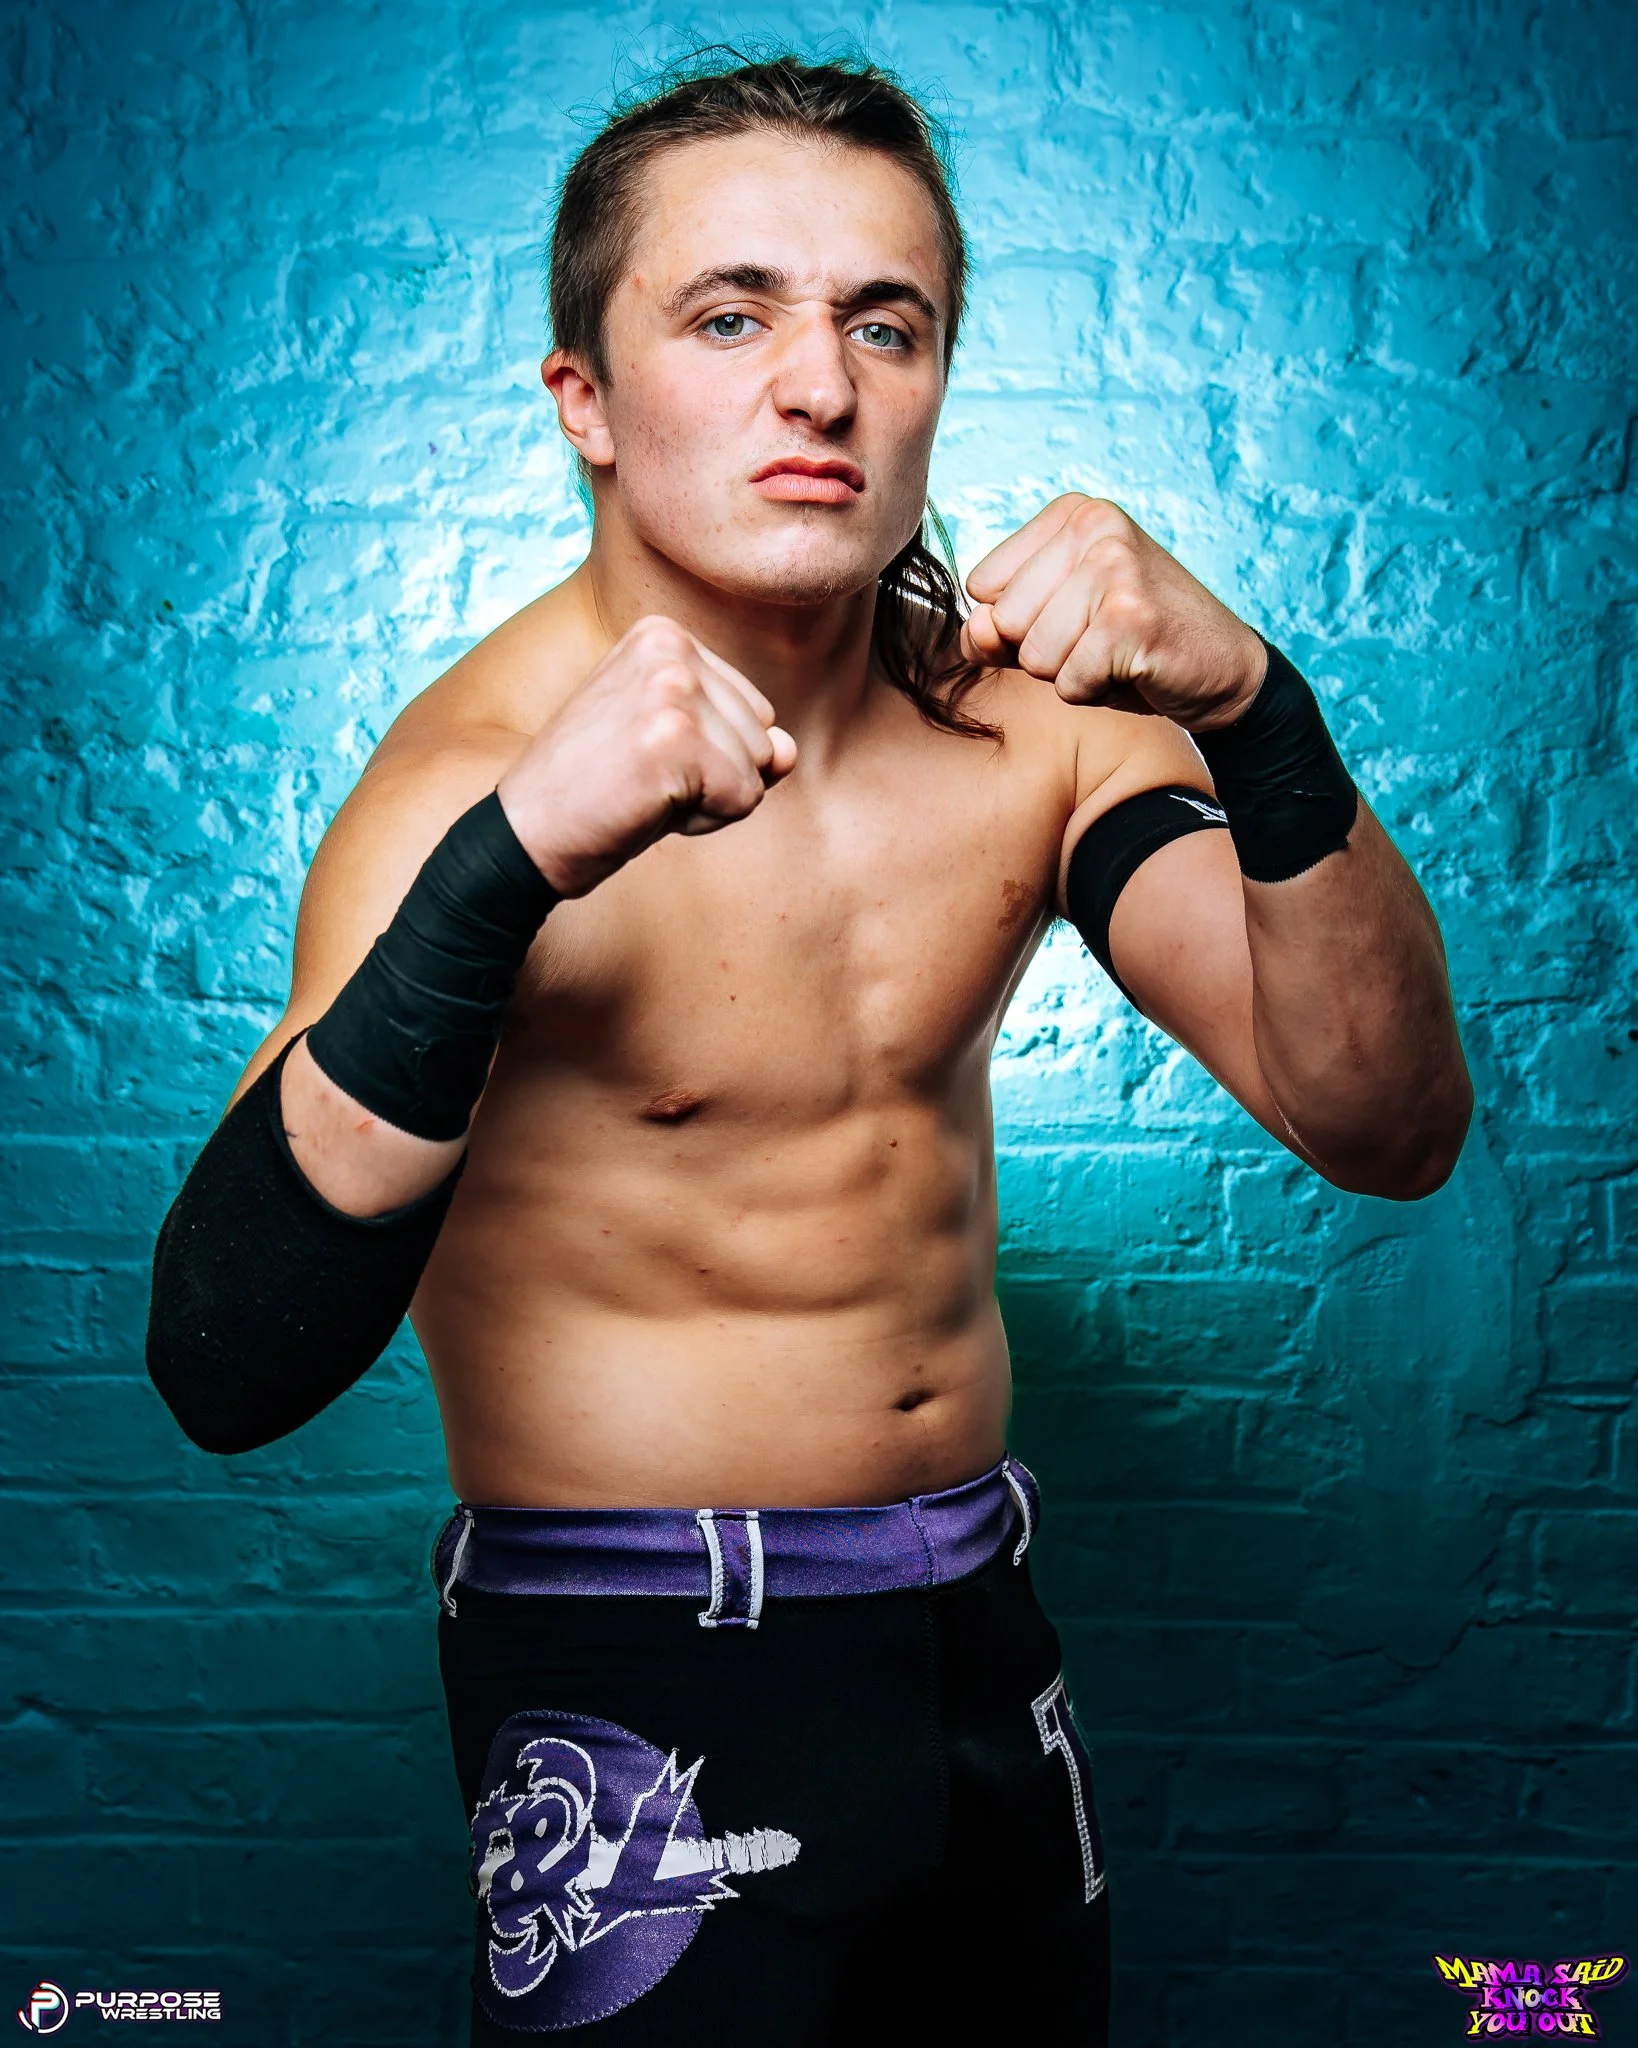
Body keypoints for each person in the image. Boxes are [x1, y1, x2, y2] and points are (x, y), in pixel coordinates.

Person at [144, 54, 1472, 2045]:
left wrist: (1266, 716)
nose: (823, 385)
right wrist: (507, 877)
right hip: (637, 1670)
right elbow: (224, 1360)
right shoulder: (465, 792)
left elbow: (1382, 1117)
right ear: (582, 401)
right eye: (730, 312)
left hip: (976, 1633)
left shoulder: (1027, 734)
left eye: (886, 320)